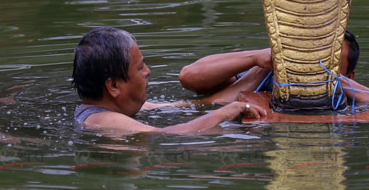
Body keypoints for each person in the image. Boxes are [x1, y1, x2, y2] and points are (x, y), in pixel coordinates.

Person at [71, 27, 266, 134]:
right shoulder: (102, 119)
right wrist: (225, 113)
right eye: (140, 68)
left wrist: (257, 72)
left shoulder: (108, 108)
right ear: (114, 86)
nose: (148, 72)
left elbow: (191, 106)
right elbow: (168, 133)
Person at [178, 30, 369, 107]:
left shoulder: (351, 97)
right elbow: (189, 76)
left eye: (328, 61)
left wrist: (328, 77)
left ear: (350, 76)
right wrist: (258, 58)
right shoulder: (263, 76)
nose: (308, 66)